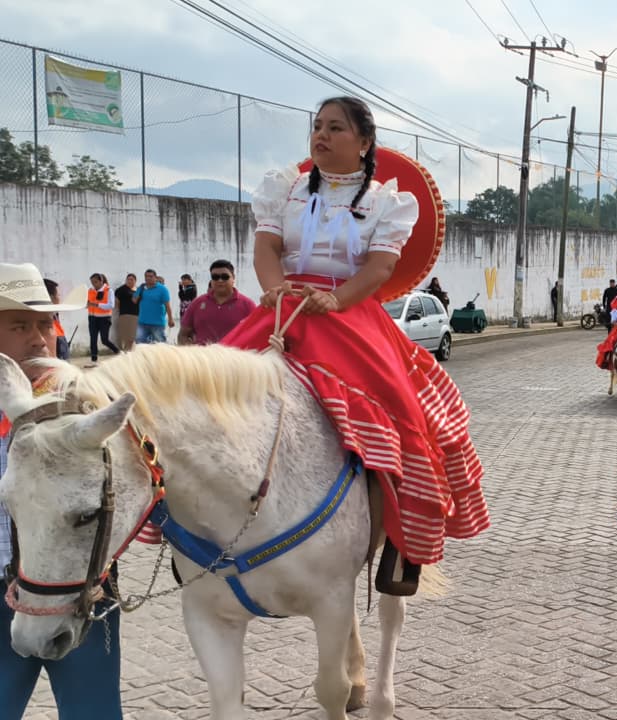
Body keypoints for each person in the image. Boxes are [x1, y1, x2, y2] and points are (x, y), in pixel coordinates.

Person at [221, 96, 488, 582]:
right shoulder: (284, 189)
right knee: (207, 393)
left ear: (364, 143)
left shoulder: (386, 203)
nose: (321, 135)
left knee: (405, 407)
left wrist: (336, 300)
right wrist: (275, 289)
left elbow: (380, 268)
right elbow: (267, 248)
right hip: (283, 308)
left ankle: (405, 540)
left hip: (349, 312)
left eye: (335, 128)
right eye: (317, 126)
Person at [0, 262, 124, 720]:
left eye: (44, 324)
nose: (38, 339)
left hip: (80, 591)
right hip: (2, 591)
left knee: (94, 712)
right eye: (19, 326)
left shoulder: (88, 407)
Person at [178, 259, 256, 346]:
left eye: (225, 277)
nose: (220, 280)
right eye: (215, 277)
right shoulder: (197, 303)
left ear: (233, 277)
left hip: (235, 354)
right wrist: (193, 351)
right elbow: (182, 335)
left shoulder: (247, 305)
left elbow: (257, 335)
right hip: (202, 354)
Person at [86, 272, 119, 366]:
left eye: (95, 282)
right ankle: (94, 360)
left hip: (104, 319)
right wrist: (86, 304)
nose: (93, 284)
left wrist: (97, 304)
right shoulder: (90, 291)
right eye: (92, 282)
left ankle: (118, 352)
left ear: (101, 281)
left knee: (104, 340)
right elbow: (88, 303)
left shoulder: (109, 290)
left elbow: (111, 305)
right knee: (93, 339)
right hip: (92, 317)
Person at [133, 268, 173, 344]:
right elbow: (134, 301)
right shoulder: (141, 288)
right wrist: (139, 291)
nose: (148, 278)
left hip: (157, 324)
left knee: (160, 344)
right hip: (142, 322)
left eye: (150, 276)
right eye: (146, 276)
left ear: (155, 278)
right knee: (139, 343)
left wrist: (170, 319)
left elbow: (167, 306)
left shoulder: (162, 289)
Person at [42, 279, 70, 361]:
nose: (59, 298)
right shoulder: (45, 317)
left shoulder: (54, 314)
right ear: (51, 297)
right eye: (58, 295)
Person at [113, 273, 140, 352]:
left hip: (136, 315)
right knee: (126, 335)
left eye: (132, 280)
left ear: (135, 281)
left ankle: (130, 351)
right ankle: (126, 351)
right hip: (125, 315)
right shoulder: (121, 290)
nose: (129, 281)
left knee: (133, 336)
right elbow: (117, 303)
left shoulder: (138, 290)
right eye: (128, 279)